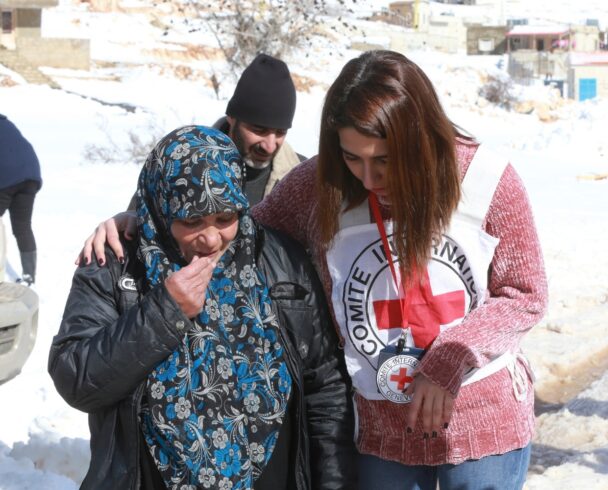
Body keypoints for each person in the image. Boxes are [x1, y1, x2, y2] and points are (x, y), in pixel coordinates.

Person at [78, 50, 547, 489]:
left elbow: (525, 293)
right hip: (381, 433)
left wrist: (449, 359)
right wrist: (143, 220)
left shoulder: (485, 180)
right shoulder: (320, 188)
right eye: (351, 157)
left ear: (418, 138)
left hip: (482, 424)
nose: (368, 178)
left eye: (384, 160)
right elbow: (235, 230)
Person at [50, 126, 355, 490]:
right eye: (192, 221)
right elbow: (76, 378)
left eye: (225, 218)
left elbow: (326, 388)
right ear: (162, 211)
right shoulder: (116, 265)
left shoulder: (277, 260)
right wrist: (164, 312)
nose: (211, 239)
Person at [78, 53, 305, 267]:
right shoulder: (182, 163)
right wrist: (120, 225)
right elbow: (140, 224)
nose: (269, 144)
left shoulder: (301, 179)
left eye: (280, 132)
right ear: (232, 118)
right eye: (259, 130)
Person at [0, 114, 41, 285]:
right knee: (23, 227)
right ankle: (29, 275)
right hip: (31, 175)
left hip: (8, 175)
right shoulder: (7, 123)